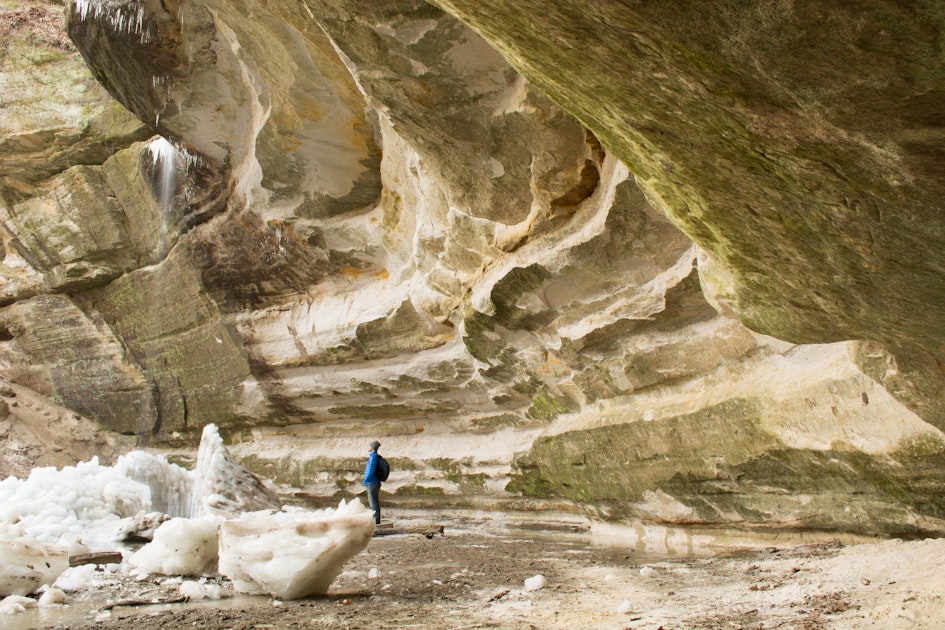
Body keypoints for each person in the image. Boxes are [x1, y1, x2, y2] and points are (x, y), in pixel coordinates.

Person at [363, 440, 382, 524]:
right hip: (372, 482)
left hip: (372, 482)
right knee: (374, 501)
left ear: (372, 447)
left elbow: (371, 470)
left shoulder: (373, 457)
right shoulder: (374, 456)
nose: (368, 447)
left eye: (369, 446)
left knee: (373, 502)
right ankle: (376, 519)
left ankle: (375, 520)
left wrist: (366, 480)